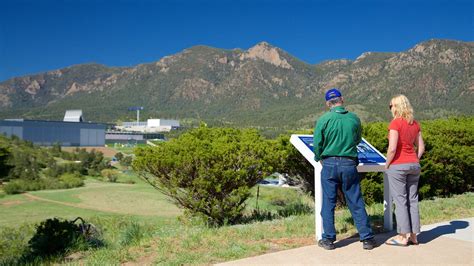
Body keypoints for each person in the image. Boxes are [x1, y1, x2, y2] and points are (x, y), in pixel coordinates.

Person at [313, 88, 376, 250]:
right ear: (342, 99)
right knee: (355, 201)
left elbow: (318, 143)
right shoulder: (354, 118)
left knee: (328, 202)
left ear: (328, 103)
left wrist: (318, 157)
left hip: (329, 164)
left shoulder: (324, 119)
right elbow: (357, 139)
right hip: (349, 164)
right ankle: (367, 238)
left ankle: (328, 240)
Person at [385, 94, 425, 246]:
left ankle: (402, 237)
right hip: (414, 165)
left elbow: (392, 148)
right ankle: (414, 236)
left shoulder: (395, 124)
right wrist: (415, 159)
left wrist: (387, 164)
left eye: (391, 106)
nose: (390, 109)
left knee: (400, 201)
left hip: (398, 166)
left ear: (397, 107)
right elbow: (421, 147)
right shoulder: (415, 124)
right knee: (413, 200)